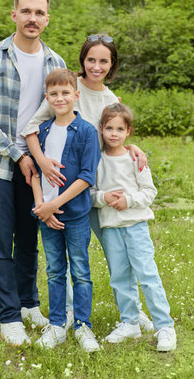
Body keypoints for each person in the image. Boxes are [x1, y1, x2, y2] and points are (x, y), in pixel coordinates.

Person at [21, 34, 153, 332]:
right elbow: (32, 127)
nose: (96, 66)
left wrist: (133, 147)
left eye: (103, 61)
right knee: (66, 253)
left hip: (99, 187)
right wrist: (41, 161)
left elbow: (113, 135)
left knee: (116, 251)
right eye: (91, 59)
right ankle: (67, 311)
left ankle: (133, 312)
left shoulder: (109, 98)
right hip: (65, 187)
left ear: (112, 64)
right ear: (82, 60)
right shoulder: (67, 89)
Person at [0, 0, 66, 346]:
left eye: (39, 13)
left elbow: (70, 110)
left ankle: (28, 305)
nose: (32, 18)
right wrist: (18, 154)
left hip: (36, 168)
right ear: (14, 14)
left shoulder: (56, 63)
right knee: (0, 243)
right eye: (26, 11)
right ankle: (9, 317)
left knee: (29, 240)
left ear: (47, 19)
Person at [90, 103, 177, 352]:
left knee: (147, 275)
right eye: (109, 128)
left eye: (120, 129)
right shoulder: (97, 160)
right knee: (119, 277)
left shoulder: (135, 158)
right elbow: (91, 193)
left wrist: (128, 200)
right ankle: (129, 323)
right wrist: (104, 197)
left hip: (136, 225)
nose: (114, 134)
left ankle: (164, 326)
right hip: (111, 228)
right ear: (101, 129)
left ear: (128, 131)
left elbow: (149, 191)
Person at [31, 69, 101, 352]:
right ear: (47, 98)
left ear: (76, 95)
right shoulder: (43, 131)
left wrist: (55, 205)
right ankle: (57, 325)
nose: (60, 98)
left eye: (65, 93)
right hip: (46, 217)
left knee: (81, 271)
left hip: (74, 215)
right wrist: (43, 210)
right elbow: (36, 173)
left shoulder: (86, 132)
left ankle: (83, 326)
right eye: (54, 94)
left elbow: (86, 177)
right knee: (55, 271)